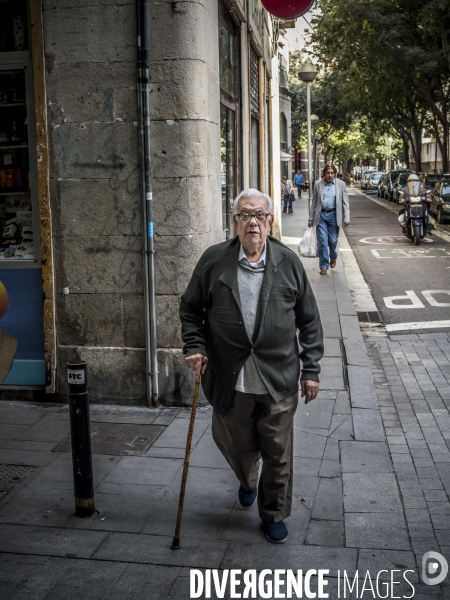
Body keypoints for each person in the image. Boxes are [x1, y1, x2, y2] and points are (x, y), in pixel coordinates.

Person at [180, 189, 324, 544]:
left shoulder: (288, 262)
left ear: (271, 221)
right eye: (245, 215)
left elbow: (309, 321)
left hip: (278, 377)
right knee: (236, 443)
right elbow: (190, 308)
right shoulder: (215, 261)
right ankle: (248, 478)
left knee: (277, 450)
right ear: (235, 222)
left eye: (260, 215)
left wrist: (311, 370)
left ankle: (273, 512)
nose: (253, 223)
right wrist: (195, 346)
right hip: (231, 378)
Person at [308, 164, 350, 275]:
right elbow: (314, 202)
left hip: (334, 215)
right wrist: (311, 218)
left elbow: (345, 203)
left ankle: (333, 256)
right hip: (321, 215)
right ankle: (323, 266)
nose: (330, 175)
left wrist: (346, 218)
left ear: (335, 174)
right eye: (328, 173)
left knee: (333, 241)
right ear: (324, 174)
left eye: (332, 173)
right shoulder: (318, 184)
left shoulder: (341, 184)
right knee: (322, 242)